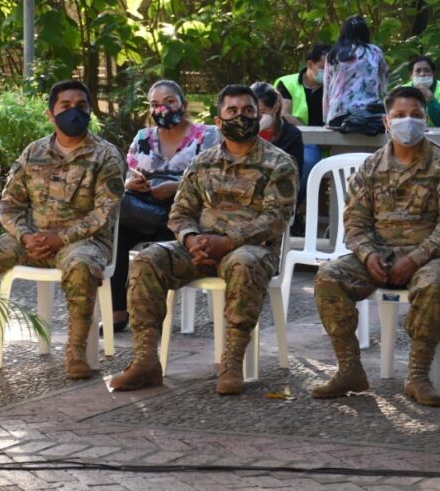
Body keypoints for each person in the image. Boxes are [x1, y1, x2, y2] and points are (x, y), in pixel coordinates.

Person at [109, 85, 298, 394]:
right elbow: (180, 212)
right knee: (147, 260)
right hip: (200, 248)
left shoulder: (279, 163)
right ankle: (145, 361)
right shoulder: (203, 162)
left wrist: (226, 242)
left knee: (244, 262)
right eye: (232, 112)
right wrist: (191, 238)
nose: (242, 117)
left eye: (249, 111)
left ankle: (232, 362)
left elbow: (274, 219)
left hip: (251, 251)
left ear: (259, 115)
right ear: (218, 120)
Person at [0, 81, 125, 379]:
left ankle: (76, 353)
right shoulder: (33, 152)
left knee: (81, 267)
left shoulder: (106, 155)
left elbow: (104, 214)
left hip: (83, 242)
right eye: (65, 107)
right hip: (32, 240)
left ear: (90, 111)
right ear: (50, 114)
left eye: (81, 106)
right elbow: (9, 204)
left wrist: (61, 238)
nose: (74, 113)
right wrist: (26, 236)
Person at [312, 86, 440, 407]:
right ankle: (349, 369)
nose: (408, 121)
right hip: (379, 258)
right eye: (400, 116)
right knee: (329, 276)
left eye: (415, 115)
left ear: (426, 120)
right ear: (387, 122)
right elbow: (355, 223)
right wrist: (368, 254)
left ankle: (417, 375)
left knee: (437, 283)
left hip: (431, 259)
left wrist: (415, 259)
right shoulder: (371, 168)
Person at [112, 80, 218, 332]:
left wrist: (177, 187)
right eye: (155, 104)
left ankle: (143, 310)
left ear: (184, 104)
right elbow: (127, 171)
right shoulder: (143, 137)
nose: (162, 109)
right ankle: (118, 309)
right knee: (117, 226)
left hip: (185, 213)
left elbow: (212, 178)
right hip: (143, 208)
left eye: (169, 102)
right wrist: (131, 183)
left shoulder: (207, 135)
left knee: (139, 219)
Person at [275, 44, 330, 199]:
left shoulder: (334, 87)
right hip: (295, 138)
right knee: (308, 159)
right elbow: (284, 114)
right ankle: (295, 203)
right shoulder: (287, 83)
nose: (327, 73)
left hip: (329, 142)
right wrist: (309, 131)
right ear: (310, 64)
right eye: (323, 67)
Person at [323, 15, 388, 131]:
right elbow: (383, 86)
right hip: (369, 114)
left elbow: (327, 90)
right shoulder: (375, 52)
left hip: (338, 115)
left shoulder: (334, 53)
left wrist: (326, 118)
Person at [405, 56, 440, 128]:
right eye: (418, 71)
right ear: (410, 75)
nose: (422, 74)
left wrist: (431, 99)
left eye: (427, 70)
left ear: (433, 73)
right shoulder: (403, 90)